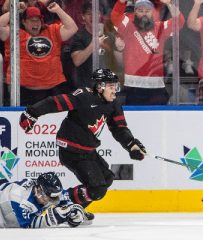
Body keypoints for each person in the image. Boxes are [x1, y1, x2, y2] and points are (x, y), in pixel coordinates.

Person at [18, 68, 147, 214]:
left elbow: (119, 128)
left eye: (116, 86)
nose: (115, 90)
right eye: (111, 86)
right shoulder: (84, 96)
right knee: (97, 189)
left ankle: (74, 209)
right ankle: (63, 207)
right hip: (71, 151)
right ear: (100, 87)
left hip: (88, 151)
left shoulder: (114, 104)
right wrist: (32, 112)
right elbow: (55, 102)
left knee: (106, 178)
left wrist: (132, 145)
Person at [111, 0, 183, 105]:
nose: (144, 13)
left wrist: (169, 3)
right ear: (135, 12)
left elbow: (180, 22)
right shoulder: (128, 24)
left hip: (156, 86)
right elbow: (115, 15)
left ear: (152, 13)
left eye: (147, 11)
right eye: (140, 10)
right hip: (133, 85)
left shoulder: (159, 27)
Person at [0, 2, 78, 107]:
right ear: (24, 22)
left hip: (52, 90)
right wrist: (15, 9)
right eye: (32, 20)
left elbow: (72, 28)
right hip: (23, 91)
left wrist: (58, 10)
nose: (36, 23)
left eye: (38, 20)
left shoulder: (52, 31)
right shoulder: (16, 34)